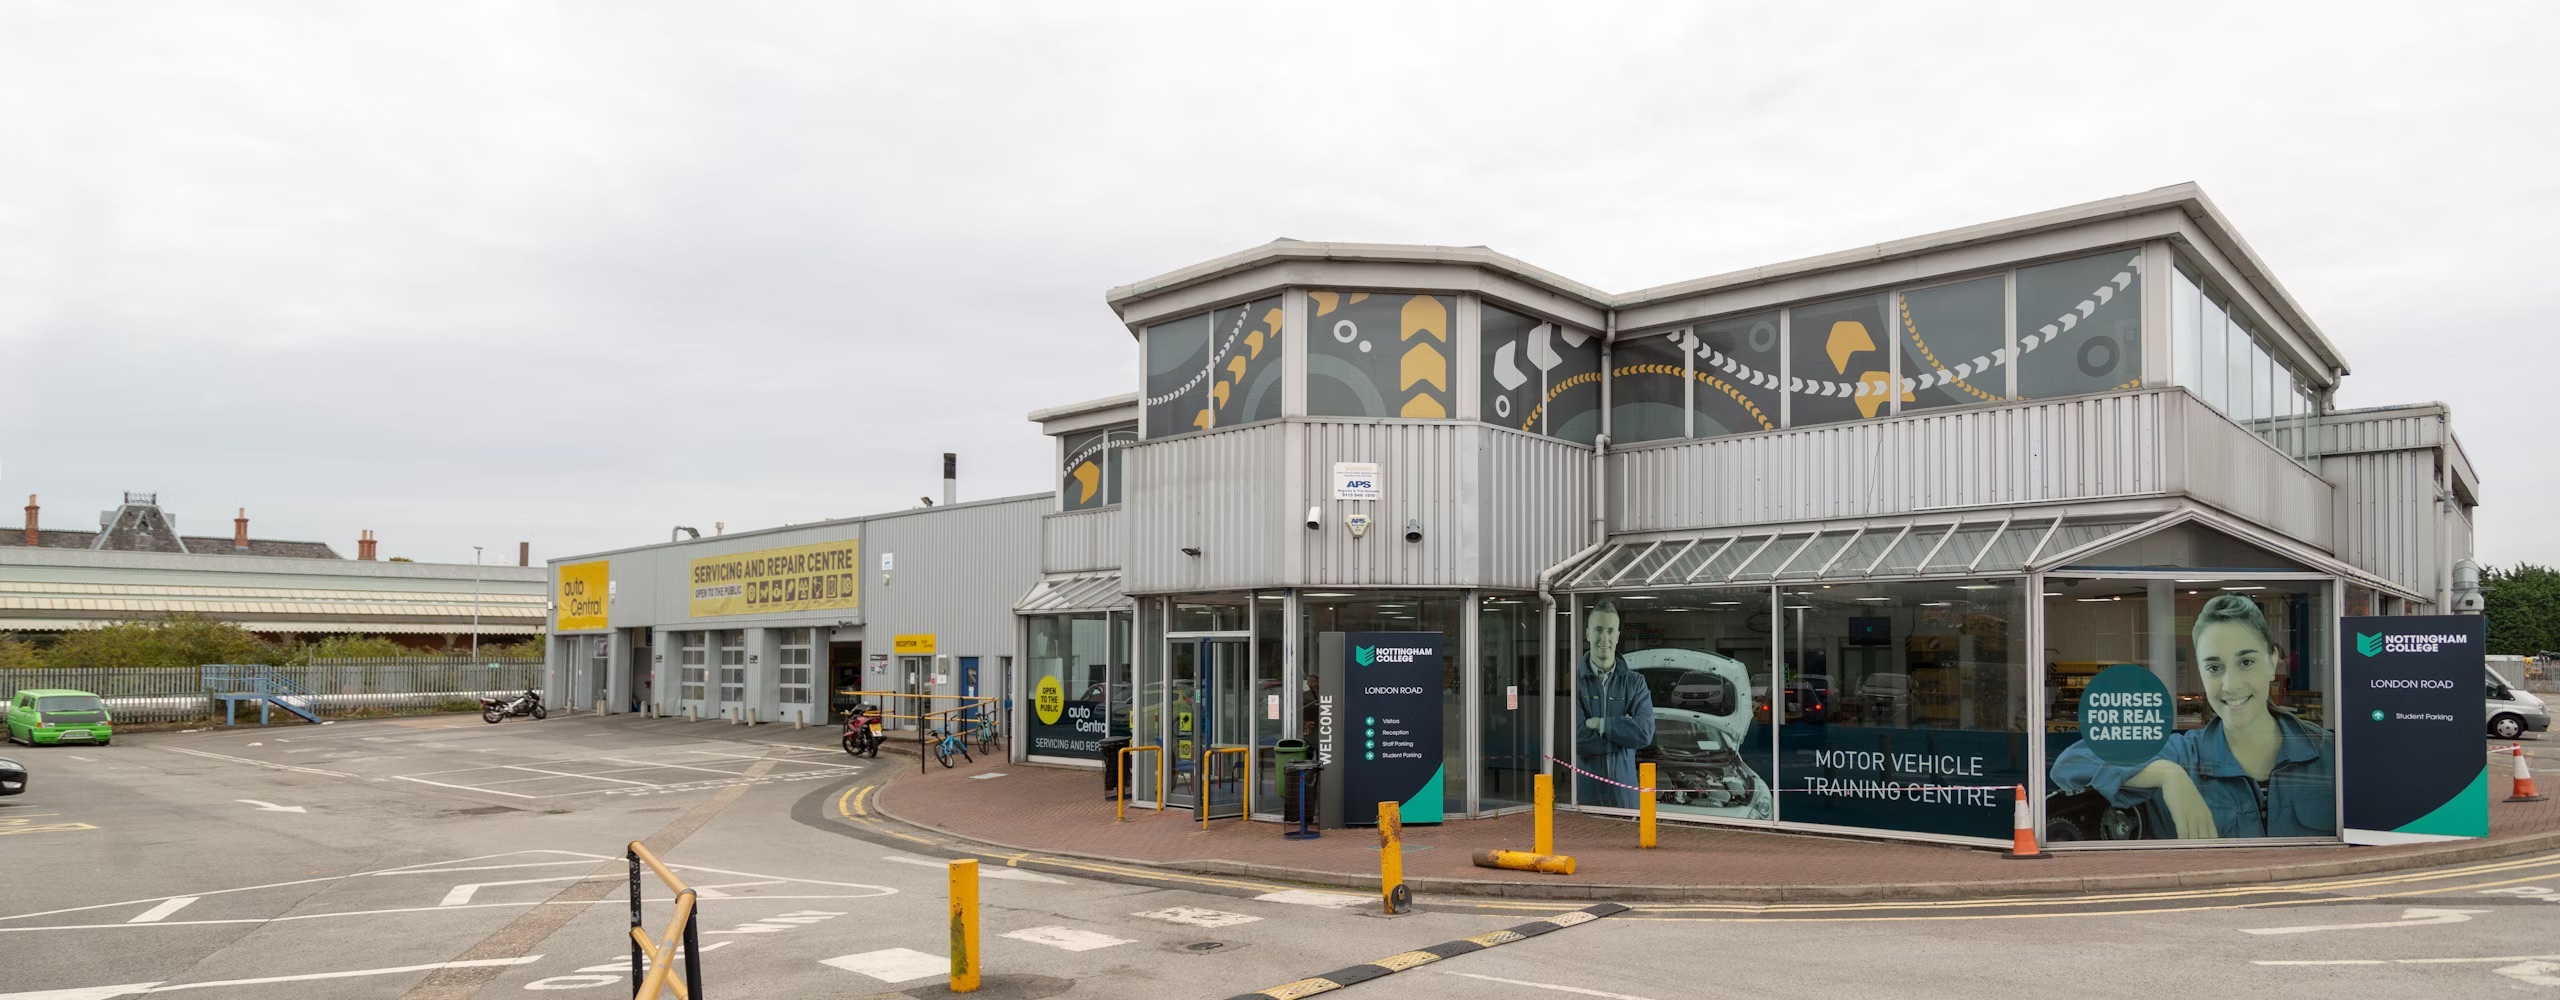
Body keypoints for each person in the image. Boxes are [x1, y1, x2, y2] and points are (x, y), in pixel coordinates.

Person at [2051, 594, 2333, 838]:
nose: (2230, 684)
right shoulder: (2181, 756)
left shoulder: (2331, 754)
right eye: (2214, 667)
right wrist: (2168, 775)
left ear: (2272, 663)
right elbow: (2071, 765)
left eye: (2246, 662)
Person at [1575, 600, 1656, 809]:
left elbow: (1644, 734)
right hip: (1586, 798)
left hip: (1626, 797)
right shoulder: (1575, 683)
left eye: (1610, 631)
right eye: (1598, 630)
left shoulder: (1635, 683)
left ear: (1618, 636)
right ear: (1587, 634)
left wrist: (1600, 725)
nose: (1605, 638)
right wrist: (1623, 735)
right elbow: (1577, 740)